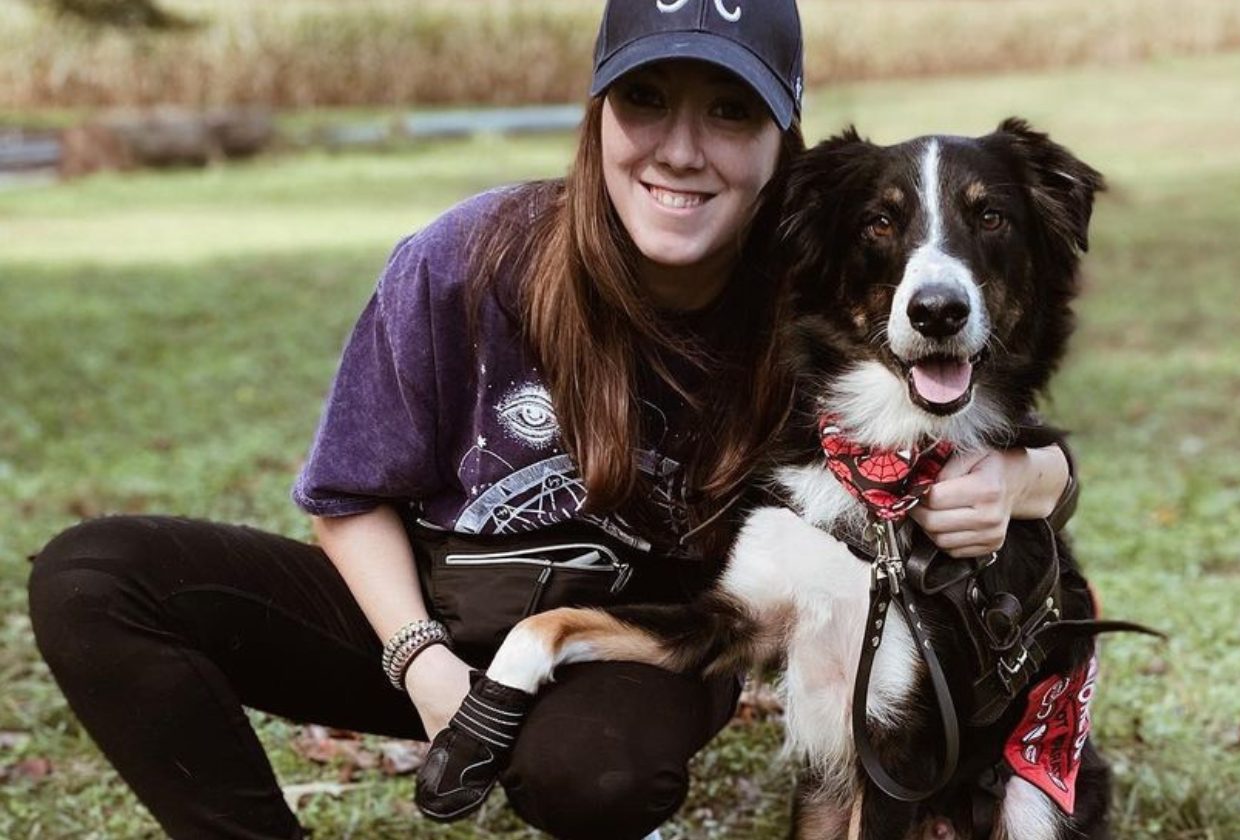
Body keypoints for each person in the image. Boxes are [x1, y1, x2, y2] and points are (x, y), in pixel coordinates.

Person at [26, 1, 1075, 837]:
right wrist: (429, 670)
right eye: (645, 100)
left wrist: (1031, 482)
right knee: (93, 577)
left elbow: (976, 418)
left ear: (779, 138)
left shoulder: (824, 285)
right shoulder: (466, 256)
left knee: (596, 775)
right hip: (427, 613)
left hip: (635, 651)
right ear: (596, 114)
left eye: (729, 112)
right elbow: (346, 500)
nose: (680, 149)